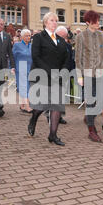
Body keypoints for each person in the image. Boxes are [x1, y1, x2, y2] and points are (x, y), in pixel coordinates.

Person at [27, 12, 68, 146]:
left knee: (56, 105)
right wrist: (50, 72)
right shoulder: (39, 37)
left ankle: (53, 135)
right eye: (52, 20)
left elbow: (66, 59)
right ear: (45, 22)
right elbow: (36, 57)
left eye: (56, 21)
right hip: (42, 75)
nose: (54, 23)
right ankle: (34, 118)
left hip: (57, 77)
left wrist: (63, 72)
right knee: (43, 105)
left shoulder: (61, 40)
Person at [75, 10, 103, 142]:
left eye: (98, 20)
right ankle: (92, 131)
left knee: (102, 103)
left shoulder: (102, 36)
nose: (98, 23)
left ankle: (88, 117)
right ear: (87, 22)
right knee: (91, 103)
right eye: (95, 21)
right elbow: (78, 58)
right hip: (87, 74)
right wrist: (79, 76)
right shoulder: (81, 37)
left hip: (100, 73)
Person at [12, 29, 33, 113]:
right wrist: (12, 67)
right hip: (21, 68)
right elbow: (12, 57)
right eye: (26, 36)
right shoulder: (17, 45)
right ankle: (28, 107)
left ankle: (22, 105)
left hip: (30, 68)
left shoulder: (32, 45)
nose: (28, 37)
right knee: (25, 87)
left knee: (28, 87)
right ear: (22, 37)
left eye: (29, 35)